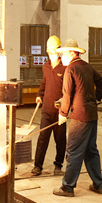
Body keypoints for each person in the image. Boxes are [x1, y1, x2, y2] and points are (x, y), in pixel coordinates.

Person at [52, 38, 102, 197]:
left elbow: (67, 94)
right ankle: (98, 185)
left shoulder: (71, 69)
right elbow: (101, 81)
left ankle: (67, 187)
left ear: (72, 53)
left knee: (73, 151)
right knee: (90, 150)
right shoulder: (87, 67)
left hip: (80, 117)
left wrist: (62, 113)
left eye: (64, 54)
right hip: (91, 115)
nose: (62, 57)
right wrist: (96, 98)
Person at [31, 35, 67, 176]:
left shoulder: (65, 68)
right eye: (50, 51)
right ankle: (37, 166)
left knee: (60, 140)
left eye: (54, 50)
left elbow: (68, 89)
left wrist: (65, 103)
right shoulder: (46, 67)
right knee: (42, 138)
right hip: (46, 110)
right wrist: (39, 95)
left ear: (59, 51)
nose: (52, 53)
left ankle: (58, 166)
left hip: (59, 111)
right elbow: (44, 83)